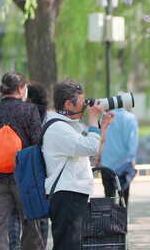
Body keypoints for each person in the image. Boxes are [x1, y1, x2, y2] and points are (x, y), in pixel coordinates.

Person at [42, 79, 114, 250]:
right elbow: (90, 147)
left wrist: (101, 127)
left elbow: (92, 147)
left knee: (72, 244)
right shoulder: (58, 128)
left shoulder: (68, 126)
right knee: (68, 245)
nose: (85, 107)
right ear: (68, 104)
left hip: (72, 194)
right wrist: (94, 117)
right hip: (67, 195)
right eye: (82, 103)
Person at [0, 72, 44, 250]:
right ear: (21, 89)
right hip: (23, 179)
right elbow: (38, 143)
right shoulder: (29, 110)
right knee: (31, 220)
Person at [8, 81, 49, 250]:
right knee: (42, 212)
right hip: (42, 170)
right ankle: (41, 245)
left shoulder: (22, 113)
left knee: (16, 212)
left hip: (22, 167)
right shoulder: (48, 116)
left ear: (29, 98)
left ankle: (16, 246)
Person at [100, 107, 139, 206]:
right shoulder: (130, 118)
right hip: (124, 164)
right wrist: (132, 159)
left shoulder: (106, 117)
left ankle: (109, 220)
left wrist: (98, 157)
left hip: (106, 163)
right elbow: (132, 141)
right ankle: (122, 219)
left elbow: (101, 138)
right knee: (123, 198)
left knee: (109, 197)